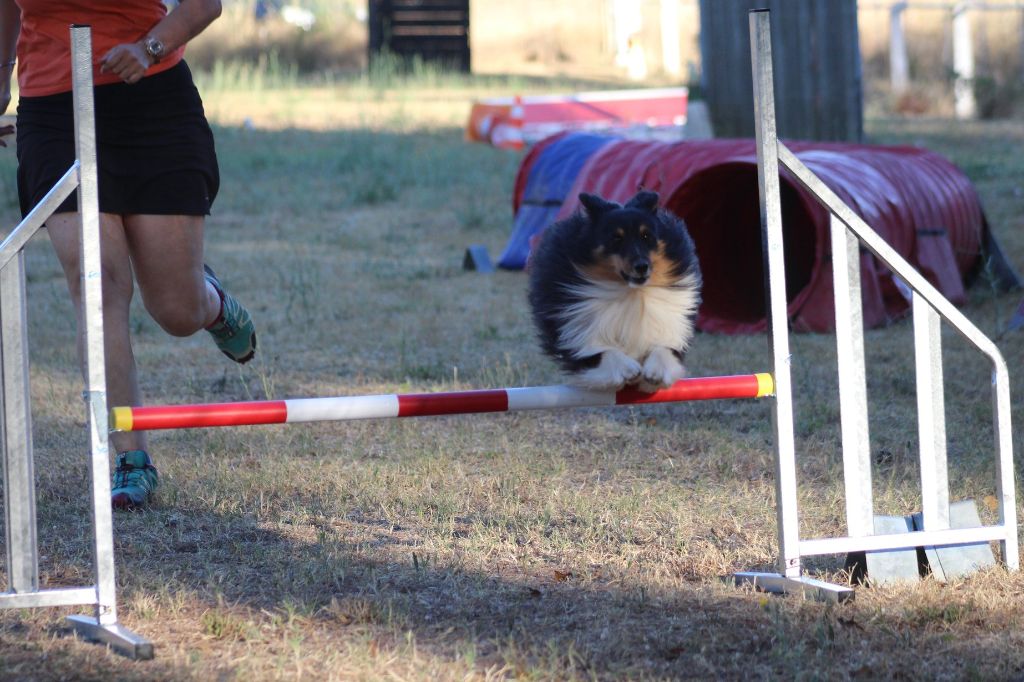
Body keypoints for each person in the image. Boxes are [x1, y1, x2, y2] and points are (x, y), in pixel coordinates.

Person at [0, 0, 256, 509]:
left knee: (176, 311)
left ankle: (210, 303)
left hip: (152, 99)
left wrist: (148, 47)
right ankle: (130, 457)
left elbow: (206, 5)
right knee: (96, 283)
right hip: (53, 111)